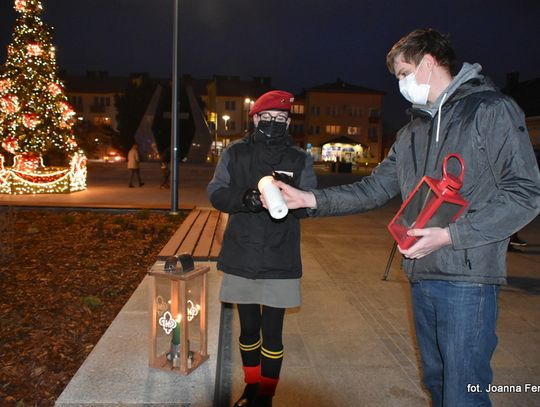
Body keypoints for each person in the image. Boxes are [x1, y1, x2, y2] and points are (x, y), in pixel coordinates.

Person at [273, 29, 540, 406]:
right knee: (437, 384)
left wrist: (451, 235)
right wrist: (309, 199)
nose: (401, 84)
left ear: (429, 63)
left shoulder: (490, 110)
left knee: (463, 393)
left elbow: (526, 193)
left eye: (403, 73)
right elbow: (373, 190)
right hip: (421, 274)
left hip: (467, 279)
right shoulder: (412, 131)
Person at [207, 90, 317, 407]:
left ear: (288, 122)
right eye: (266, 118)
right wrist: (247, 199)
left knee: (272, 333)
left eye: (280, 119)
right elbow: (216, 191)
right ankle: (251, 386)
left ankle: (266, 394)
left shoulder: (299, 158)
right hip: (242, 254)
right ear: (255, 118)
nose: (273, 124)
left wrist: (291, 199)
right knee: (248, 330)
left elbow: (309, 203)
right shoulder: (235, 153)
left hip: (280, 258)